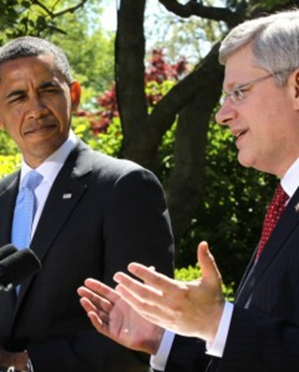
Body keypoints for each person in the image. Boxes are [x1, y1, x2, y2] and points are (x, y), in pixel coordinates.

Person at [78, 8, 299, 372]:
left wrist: (216, 322)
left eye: (239, 92)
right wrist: (165, 339)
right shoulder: (284, 206)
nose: (221, 114)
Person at [0, 36, 175, 372]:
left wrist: (23, 365)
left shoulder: (124, 187)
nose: (36, 109)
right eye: (18, 97)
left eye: (48, 90)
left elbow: (142, 327)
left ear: (74, 95)